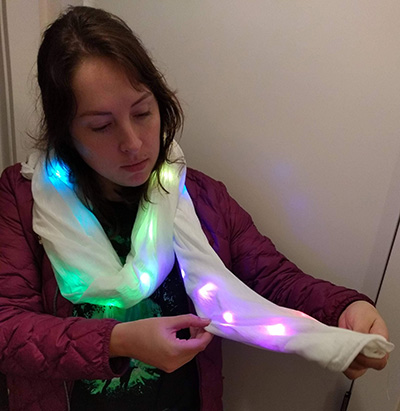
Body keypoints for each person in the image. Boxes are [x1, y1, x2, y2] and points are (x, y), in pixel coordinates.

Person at [0, 6, 389, 411]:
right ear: (65, 131)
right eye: (101, 125)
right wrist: (118, 341)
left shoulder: (198, 196)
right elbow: (7, 328)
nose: (133, 143)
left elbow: (271, 277)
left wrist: (344, 308)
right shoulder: (22, 198)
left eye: (142, 112)